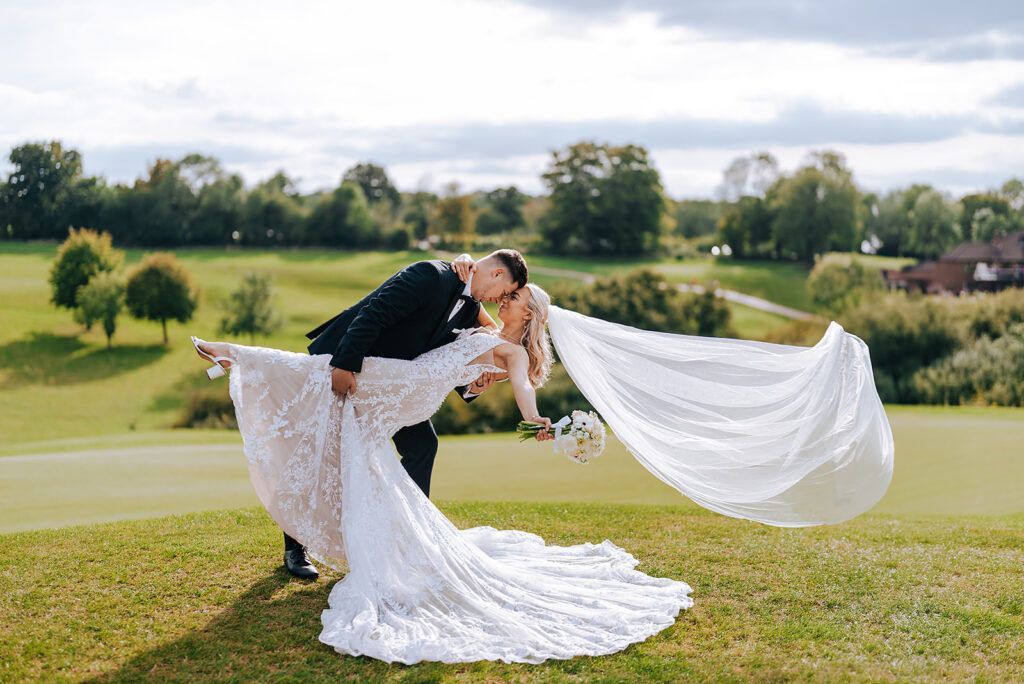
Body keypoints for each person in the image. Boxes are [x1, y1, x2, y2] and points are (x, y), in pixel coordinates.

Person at [190, 280, 694, 664]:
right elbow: (460, 336)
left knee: (326, 404)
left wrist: (536, 420)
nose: (504, 301)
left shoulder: (513, 351)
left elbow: (515, 387)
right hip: (401, 378)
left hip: (408, 389)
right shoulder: (480, 317)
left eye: (513, 298)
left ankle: (234, 356)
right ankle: (233, 356)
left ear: (529, 311)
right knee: (316, 389)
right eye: (507, 292)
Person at [287, 250, 529, 579]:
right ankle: (295, 546)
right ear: (498, 274)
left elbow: (450, 350)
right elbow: (375, 314)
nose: (498, 299)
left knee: (423, 445)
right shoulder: (430, 275)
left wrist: (476, 382)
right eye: (502, 292)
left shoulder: (470, 305)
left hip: (391, 389)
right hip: (346, 366)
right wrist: (345, 365)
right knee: (322, 452)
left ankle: (409, 535)